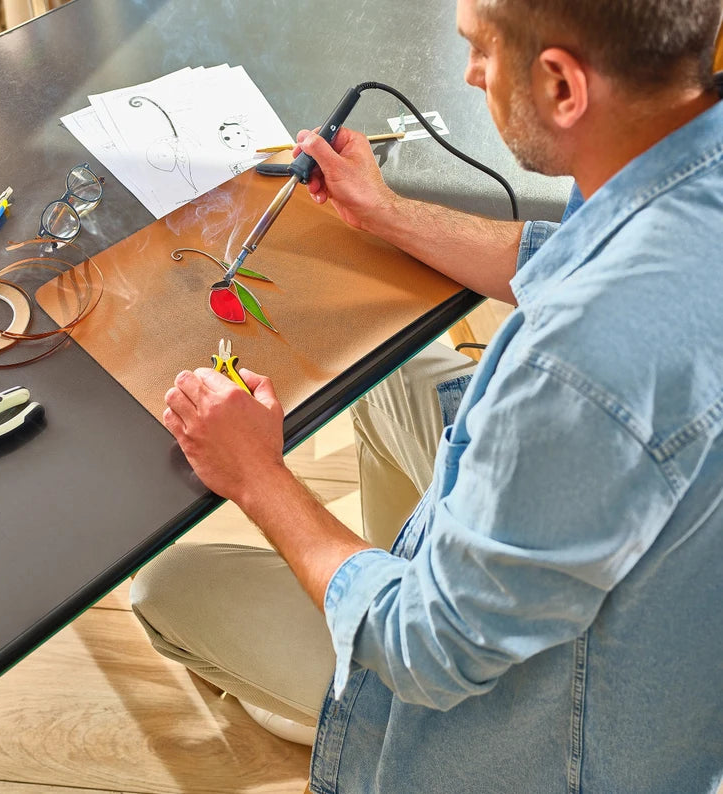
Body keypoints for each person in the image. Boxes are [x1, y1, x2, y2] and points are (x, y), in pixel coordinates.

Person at [130, 0, 723, 791]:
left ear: (561, 86)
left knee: (162, 589)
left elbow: (427, 647)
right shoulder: (682, 152)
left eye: (480, 52)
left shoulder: (577, 369)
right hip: (655, 612)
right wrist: (388, 214)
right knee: (382, 377)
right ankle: (392, 571)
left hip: (540, 734)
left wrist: (256, 476)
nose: (470, 73)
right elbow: (569, 257)